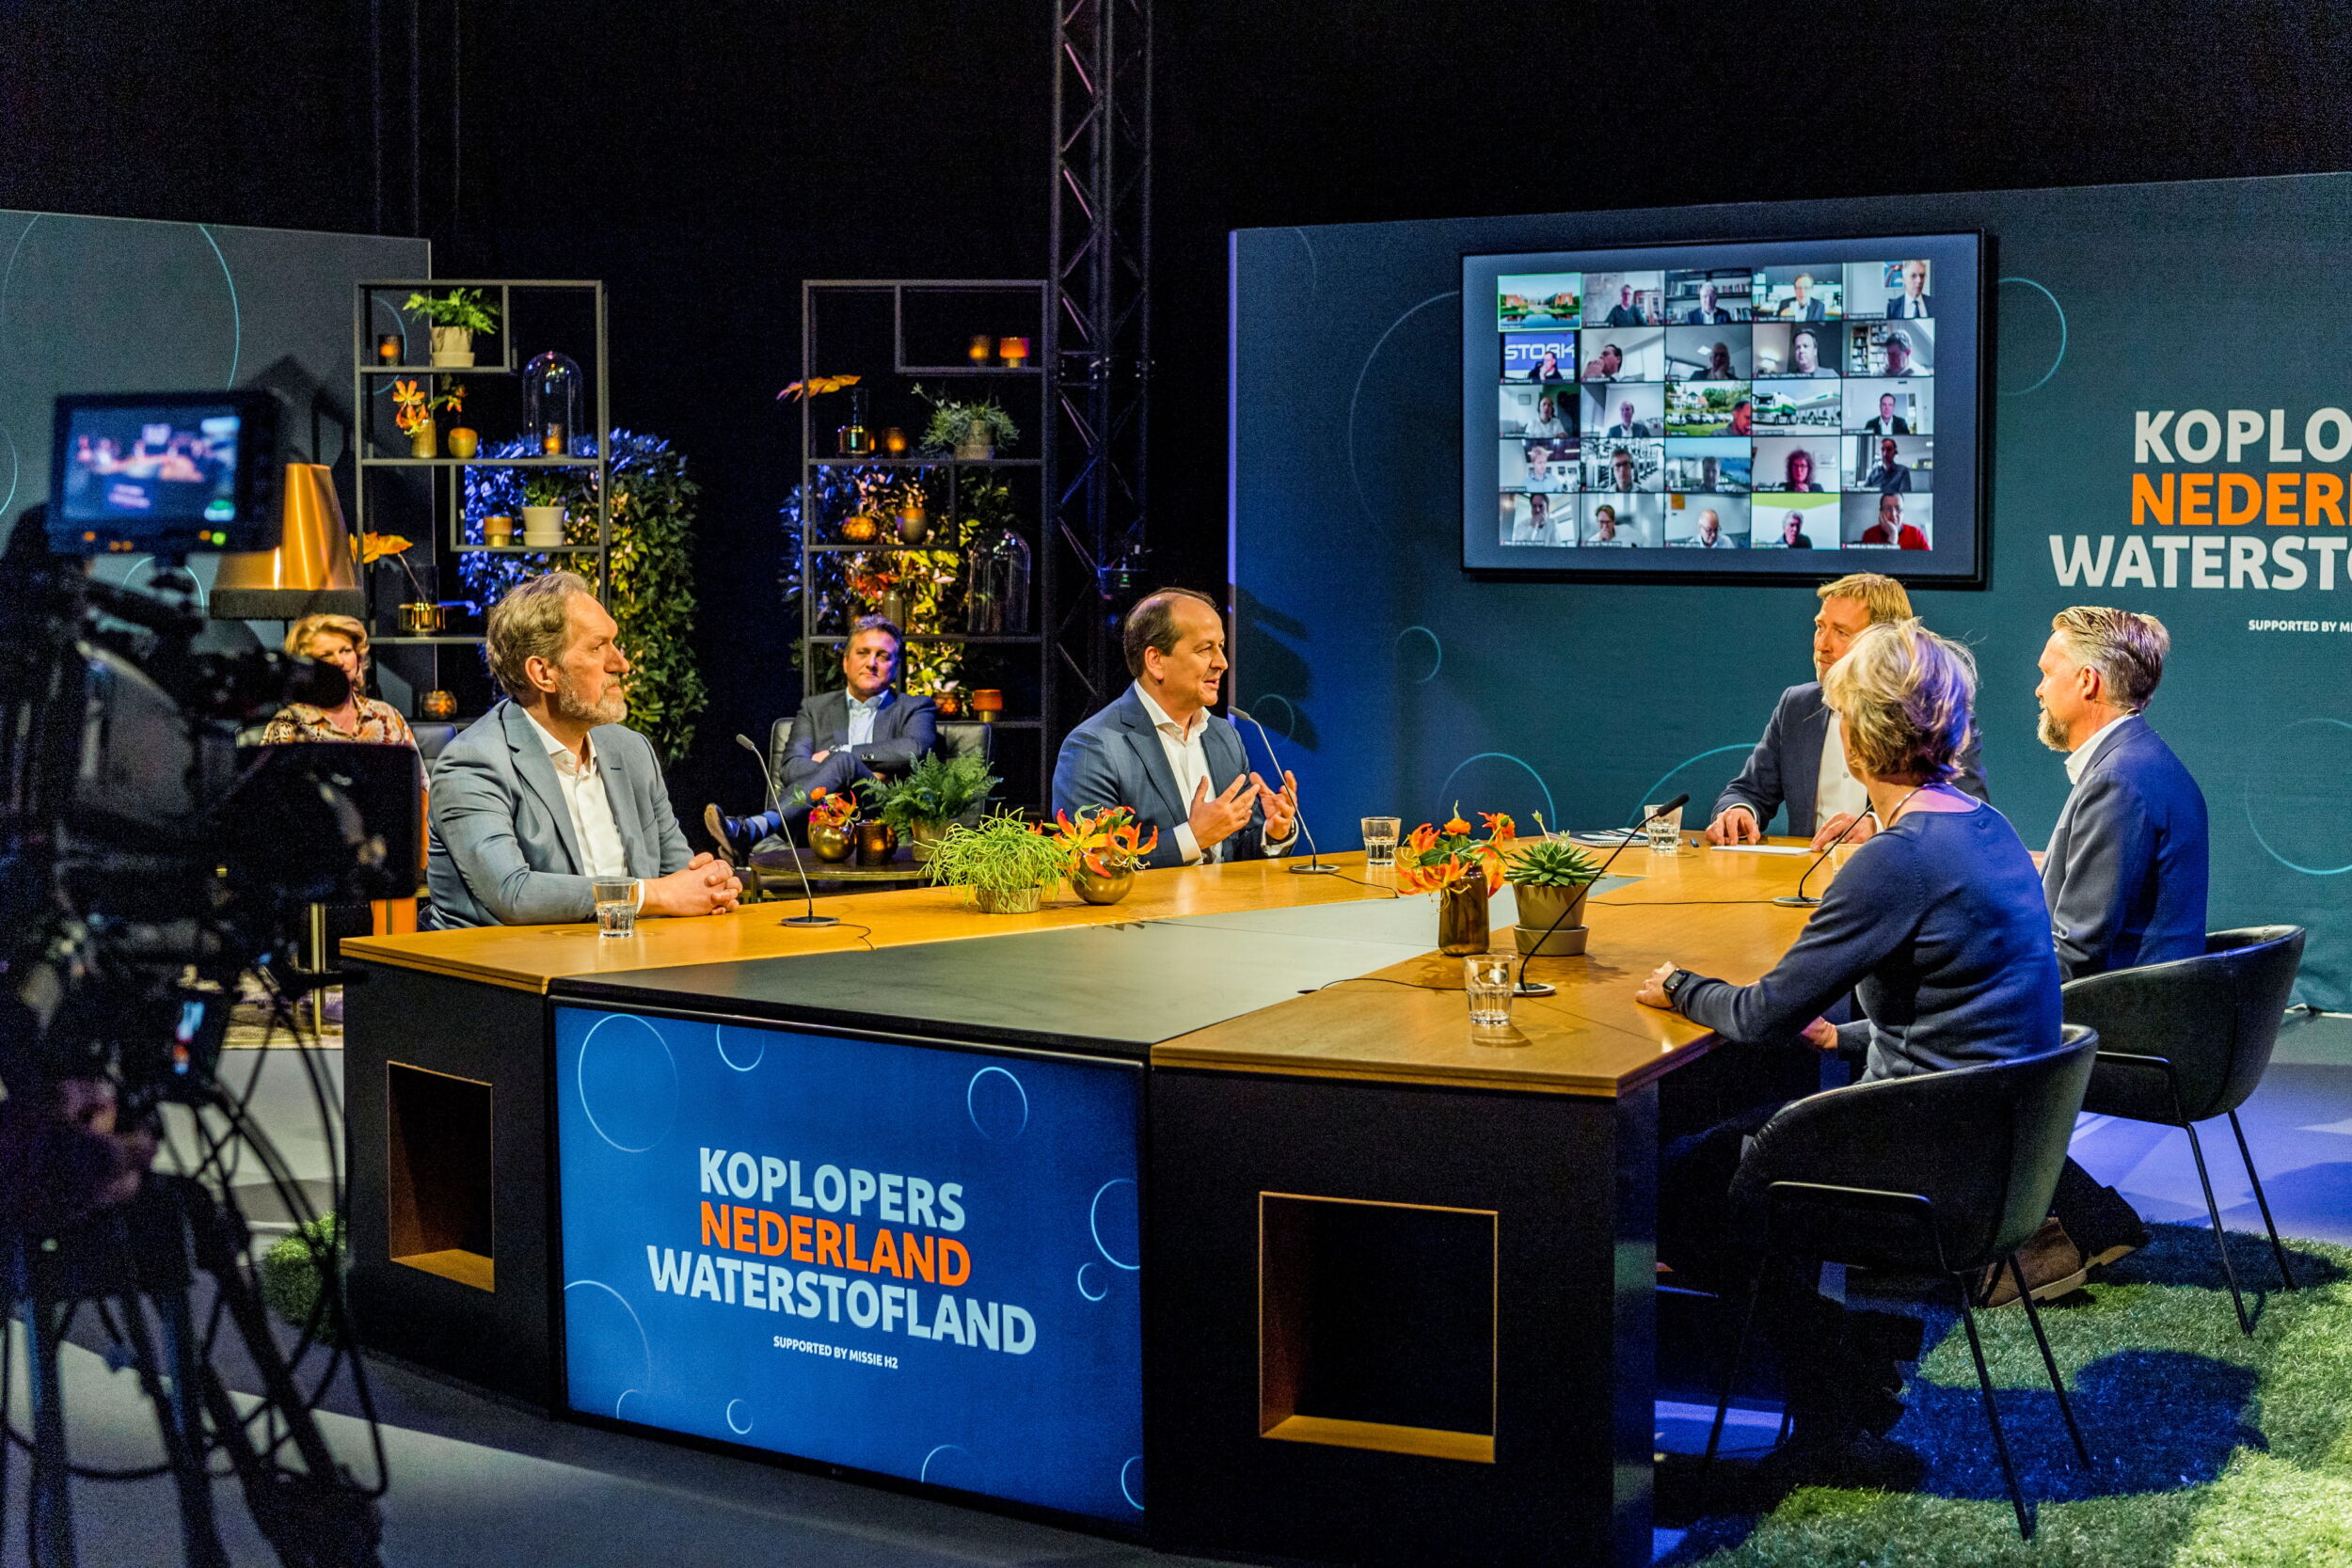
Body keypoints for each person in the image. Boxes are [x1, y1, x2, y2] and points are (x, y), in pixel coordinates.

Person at [1640, 619, 2059, 1487]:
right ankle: (1843, 1358)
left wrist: (1678, 984)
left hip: (1927, 1162)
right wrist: (1844, 1035)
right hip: (1996, 1151)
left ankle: (1833, 1373)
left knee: (1671, 1185)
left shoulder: (1897, 859)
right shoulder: (1985, 828)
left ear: (1860, 738)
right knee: (1724, 1157)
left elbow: (1758, 1014)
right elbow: (1968, 1008)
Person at [1996, 607, 2204, 1297]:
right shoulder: (2135, 761)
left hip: (2130, 1022)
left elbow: (2076, 950)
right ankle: (2091, 1217)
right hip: (2147, 1006)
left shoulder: (2120, 779)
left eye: (2047, 671)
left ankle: (2038, 1238)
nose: (2038, 687)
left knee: (1952, 1036)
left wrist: (1977, 984)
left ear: (2086, 682)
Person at [426, 572, 739, 928]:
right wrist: (651, 894)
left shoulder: (631, 751)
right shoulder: (473, 764)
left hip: (628, 954)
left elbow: (678, 874)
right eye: (597, 647)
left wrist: (710, 887)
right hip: (509, 959)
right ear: (543, 673)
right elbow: (513, 894)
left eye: (614, 644)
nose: (621, 664)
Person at [1708, 573, 1988, 847]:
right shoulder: (1797, 705)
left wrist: (1881, 826)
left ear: (1884, 641)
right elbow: (1748, 791)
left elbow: (1968, 814)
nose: (1822, 645)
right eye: (1820, 627)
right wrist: (1739, 811)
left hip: (1892, 867)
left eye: (1841, 632)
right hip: (1805, 873)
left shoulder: (1930, 714)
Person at [1051, 588, 1298, 868]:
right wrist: (1192, 838)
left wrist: (1272, 833)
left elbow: (1238, 851)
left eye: (1220, 646)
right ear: (1156, 661)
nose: (1222, 663)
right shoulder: (1093, 746)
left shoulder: (1224, 735)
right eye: (1205, 649)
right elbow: (1094, 862)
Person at [261, 613, 421, 754]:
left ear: (358, 656)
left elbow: (416, 777)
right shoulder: (288, 723)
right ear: (307, 667)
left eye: (346, 651)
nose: (339, 661)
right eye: (326, 655)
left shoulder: (387, 715)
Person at [1860, 492, 1929, 549]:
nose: (1893, 514)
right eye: (1888, 508)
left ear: (1903, 513)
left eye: (1898, 508)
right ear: (1881, 512)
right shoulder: (1869, 535)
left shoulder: (1916, 534)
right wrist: (1893, 536)